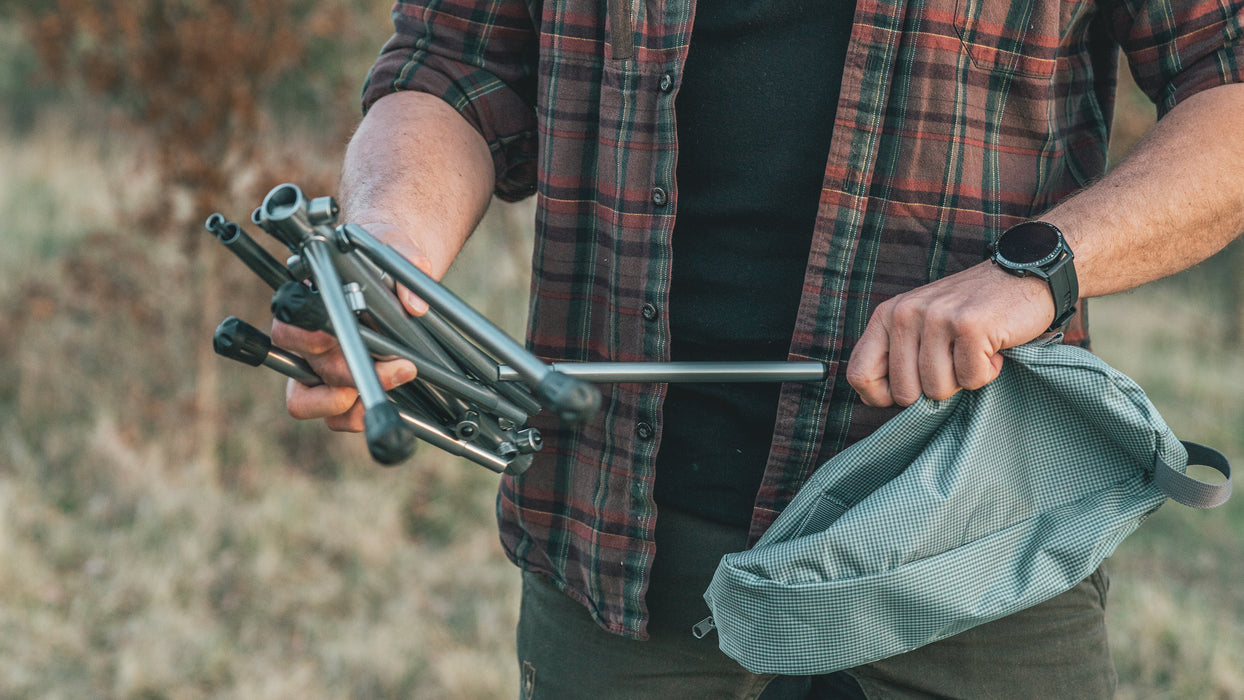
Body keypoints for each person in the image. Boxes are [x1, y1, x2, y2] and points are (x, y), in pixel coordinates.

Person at [272, 0, 1244, 697]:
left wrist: (1035, 267)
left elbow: (1226, 84)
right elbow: (451, 62)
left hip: (970, 540)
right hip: (620, 548)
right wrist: (385, 252)